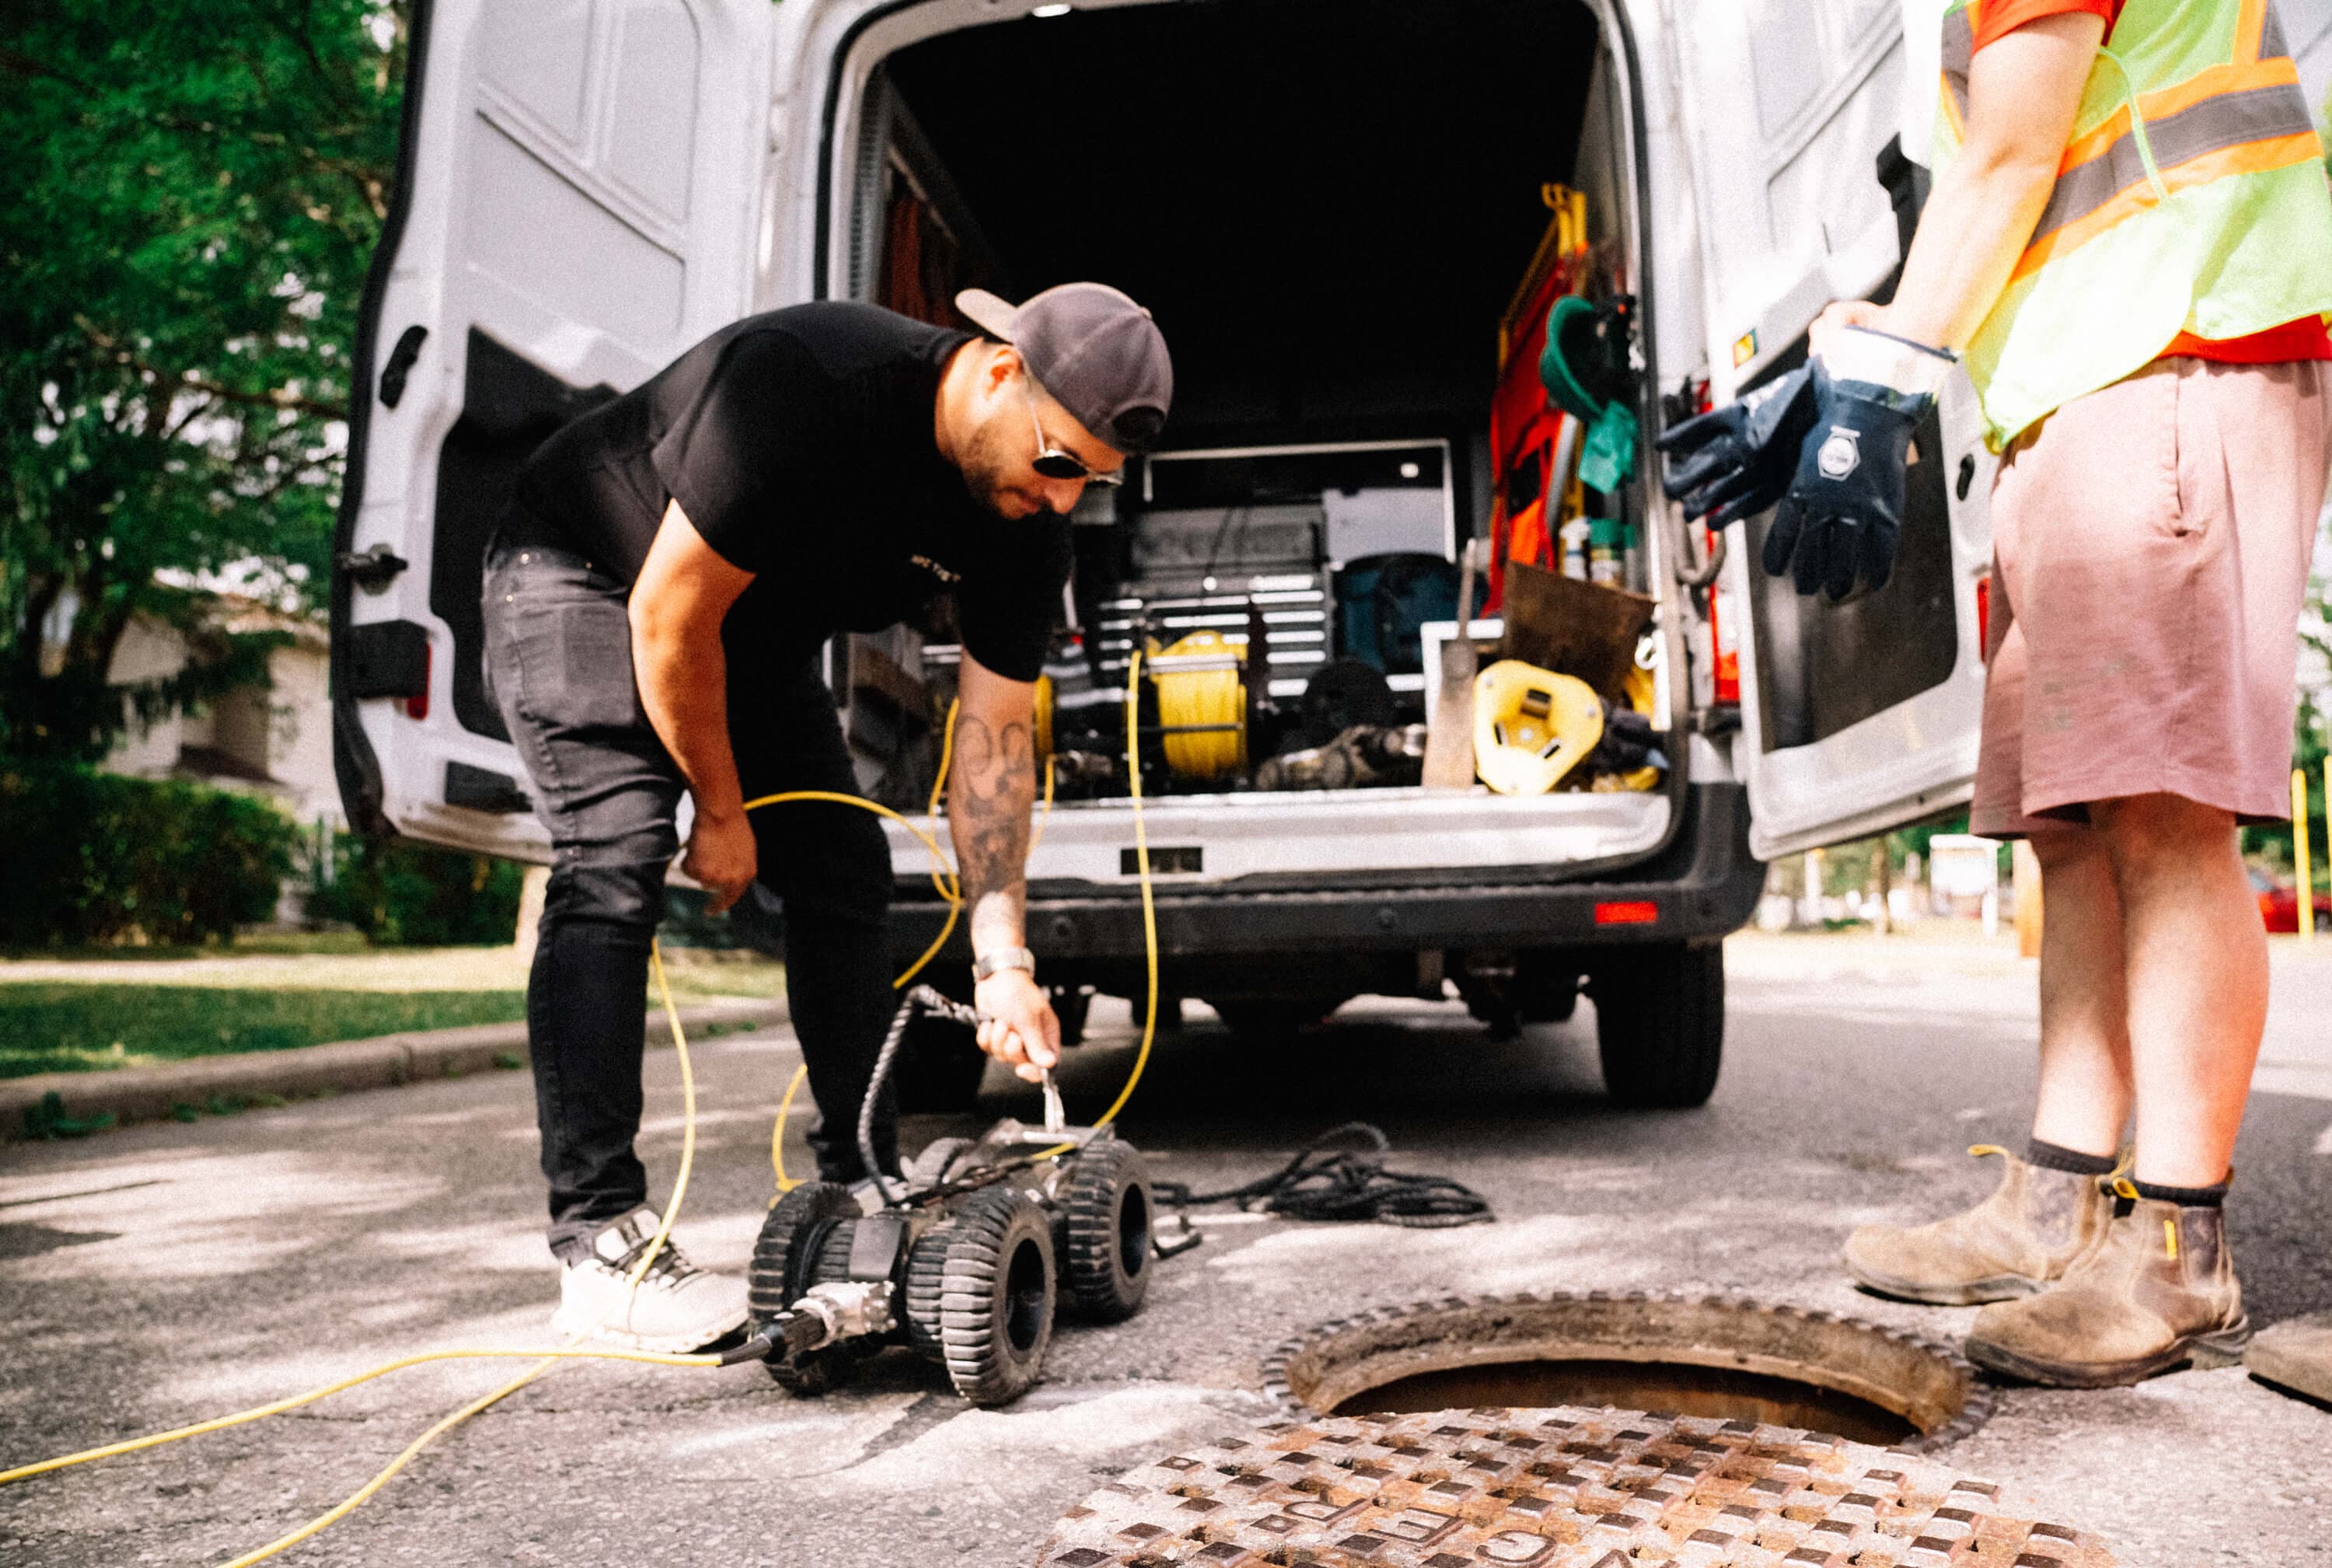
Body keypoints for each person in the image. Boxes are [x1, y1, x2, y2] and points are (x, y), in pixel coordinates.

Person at [479, 285, 1174, 1350]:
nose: (1069, 496)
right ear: (997, 373)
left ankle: (863, 1178)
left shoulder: (1024, 531)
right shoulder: (807, 384)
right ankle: (599, 1243)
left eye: (1096, 478)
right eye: (1059, 460)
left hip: (741, 628)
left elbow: (992, 746)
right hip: (587, 568)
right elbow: (667, 612)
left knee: (844, 865)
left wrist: (1004, 962)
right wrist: (718, 808)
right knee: (613, 858)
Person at [1814, 0, 2332, 1387]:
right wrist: (1859, 347)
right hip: (2082, 388)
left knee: (2162, 816)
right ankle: (2056, 1199)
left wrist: (1879, 386)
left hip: (2175, 354)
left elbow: (2012, 158)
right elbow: (2000, 194)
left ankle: (2178, 1249)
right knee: (2072, 824)